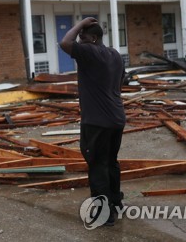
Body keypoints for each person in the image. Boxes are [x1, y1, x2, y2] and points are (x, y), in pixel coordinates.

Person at [59, 17, 126, 226]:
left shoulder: (90, 51)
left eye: (83, 37)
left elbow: (65, 44)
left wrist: (79, 23)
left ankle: (103, 214)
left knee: (97, 165)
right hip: (116, 118)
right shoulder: (115, 54)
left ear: (94, 38)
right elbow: (120, 81)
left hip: (96, 122)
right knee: (110, 163)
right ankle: (116, 203)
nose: (80, 39)